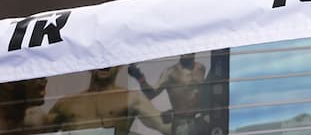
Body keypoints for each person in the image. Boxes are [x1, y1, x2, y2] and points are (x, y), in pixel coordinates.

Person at [43, 67, 171, 135]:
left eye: (109, 58)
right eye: (99, 58)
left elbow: (165, 127)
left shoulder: (132, 98)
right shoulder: (65, 103)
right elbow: (40, 131)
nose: (104, 62)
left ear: (119, 65)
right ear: (89, 65)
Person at [128, 55, 208, 135]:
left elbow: (202, 92)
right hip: (182, 123)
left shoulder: (200, 68)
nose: (186, 53)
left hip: (200, 119)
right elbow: (151, 94)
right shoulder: (170, 73)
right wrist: (140, 78)